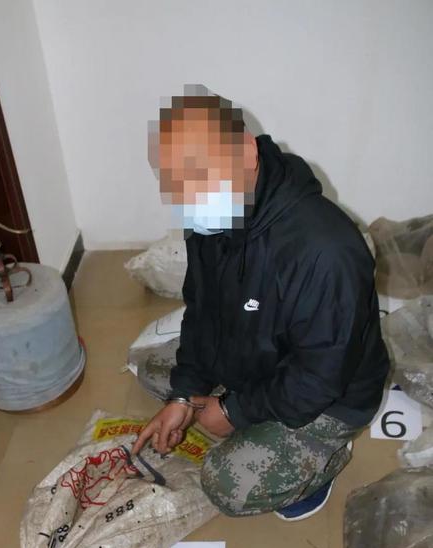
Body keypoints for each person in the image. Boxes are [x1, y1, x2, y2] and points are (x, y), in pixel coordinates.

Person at [132, 87, 390, 521]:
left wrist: (235, 410)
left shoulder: (326, 250)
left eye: (197, 173)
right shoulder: (209, 220)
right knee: (152, 370)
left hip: (331, 395)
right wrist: (185, 394)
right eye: (173, 179)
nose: (185, 195)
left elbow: (320, 378)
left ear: (247, 153)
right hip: (259, 355)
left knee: (226, 484)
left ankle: (326, 457)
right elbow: (201, 311)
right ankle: (231, 407)